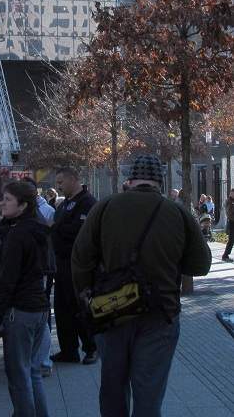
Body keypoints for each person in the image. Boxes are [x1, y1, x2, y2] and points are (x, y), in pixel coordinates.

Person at [70, 156, 212, 417]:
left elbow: (80, 259)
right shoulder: (177, 212)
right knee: (149, 395)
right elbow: (200, 266)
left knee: (113, 388)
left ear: (130, 180)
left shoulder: (104, 207)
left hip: (110, 313)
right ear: (160, 180)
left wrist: (87, 296)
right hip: (161, 314)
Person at [0, 181, 54, 417]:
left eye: (8, 200)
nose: (2, 203)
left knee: (18, 376)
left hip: (20, 312)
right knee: (32, 373)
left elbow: (7, 282)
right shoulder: (37, 228)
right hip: (40, 309)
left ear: (23, 205)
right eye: (2, 198)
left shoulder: (18, 236)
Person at [55, 183, 103, 364]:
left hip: (79, 265)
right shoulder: (66, 203)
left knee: (80, 307)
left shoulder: (88, 202)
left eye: (61, 182)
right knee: (63, 309)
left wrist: (58, 227)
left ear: (73, 181)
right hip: (62, 264)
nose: (59, 186)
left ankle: (92, 347)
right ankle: (68, 350)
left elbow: (79, 231)